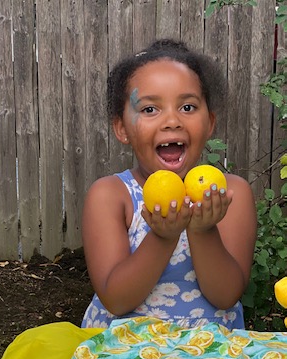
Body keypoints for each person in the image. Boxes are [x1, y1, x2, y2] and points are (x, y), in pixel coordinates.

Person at [81, 39, 257, 330]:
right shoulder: (111, 196)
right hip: (122, 356)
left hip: (210, 357)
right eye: (150, 109)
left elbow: (225, 296)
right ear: (122, 128)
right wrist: (163, 236)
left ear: (210, 122)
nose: (172, 121)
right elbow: (116, 299)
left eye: (187, 106)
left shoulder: (227, 195)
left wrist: (203, 229)